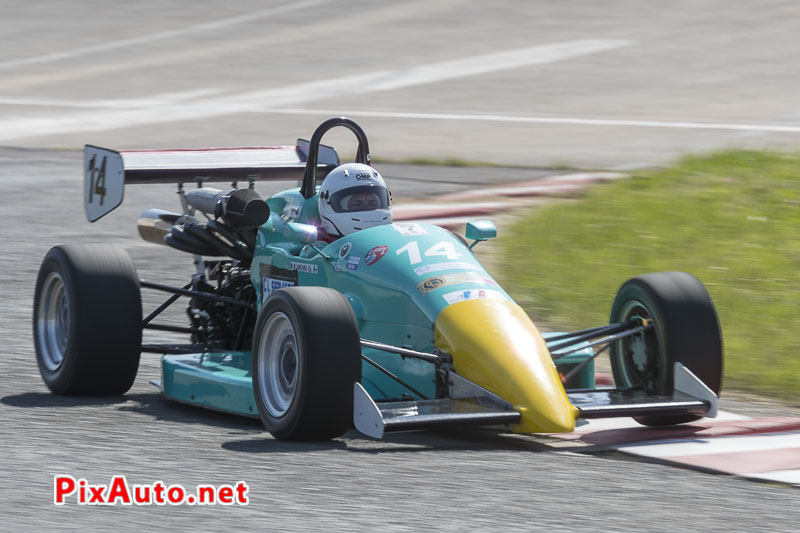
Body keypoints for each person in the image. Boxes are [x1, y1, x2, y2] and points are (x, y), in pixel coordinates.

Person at [317, 162, 392, 240]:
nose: (366, 209)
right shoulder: (317, 249)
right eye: (357, 204)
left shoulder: (395, 242)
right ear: (327, 205)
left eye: (373, 204)